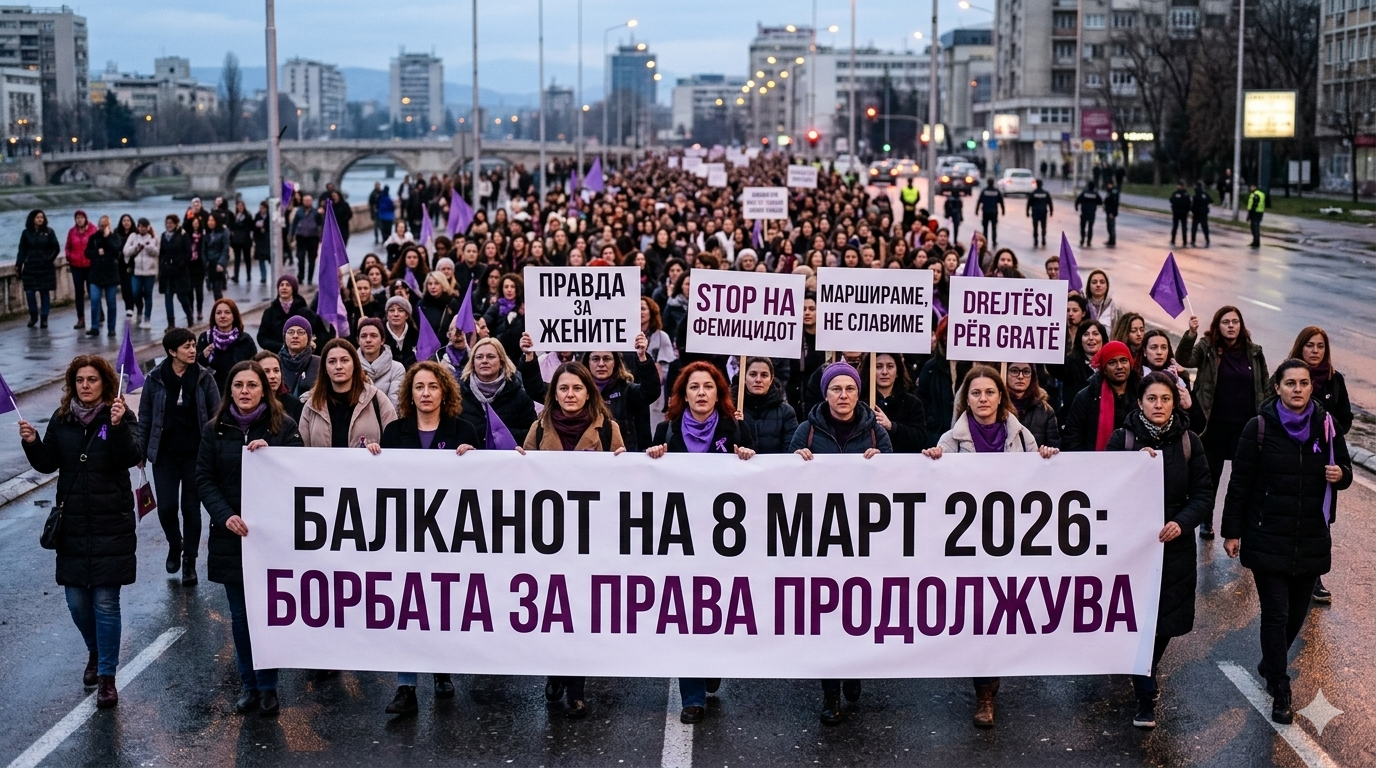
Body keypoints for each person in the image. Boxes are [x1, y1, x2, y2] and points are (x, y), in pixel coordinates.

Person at [922, 366, 1057, 729]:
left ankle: (991, 682)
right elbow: (934, 493)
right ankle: (984, 691)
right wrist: (933, 462)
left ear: (1001, 397)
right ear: (966, 399)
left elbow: (1043, 481)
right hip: (968, 545)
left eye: (989, 392)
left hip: (1011, 540)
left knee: (1003, 613)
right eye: (976, 393)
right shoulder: (951, 440)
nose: (983, 399)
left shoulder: (1023, 436)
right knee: (979, 614)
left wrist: (1046, 458)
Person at [1222, 359, 1351, 725]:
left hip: (1310, 537)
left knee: (1295, 615)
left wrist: (1340, 474)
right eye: (1290, 383)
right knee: (1276, 615)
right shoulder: (1259, 427)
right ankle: (1280, 687)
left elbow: (1345, 471)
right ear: (1277, 387)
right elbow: (1240, 483)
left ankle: (1270, 661)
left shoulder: (1326, 426)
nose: (1298, 389)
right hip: (1267, 536)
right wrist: (1232, 531)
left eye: (1304, 383)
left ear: (1312, 387)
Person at [19, 355, 142, 709]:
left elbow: (130, 456)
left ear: (105, 382)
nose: (85, 386)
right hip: (72, 525)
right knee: (76, 603)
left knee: (105, 602)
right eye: (79, 380)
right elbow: (47, 463)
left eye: (92, 380)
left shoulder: (120, 416)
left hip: (111, 524)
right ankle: (95, 648)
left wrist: (118, 427)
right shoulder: (62, 420)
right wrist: (32, 442)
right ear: (72, 384)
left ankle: (107, 676)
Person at [517, 360, 627, 719]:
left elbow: (623, 485)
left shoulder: (608, 429)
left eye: (577, 388)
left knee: (578, 611)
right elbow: (524, 480)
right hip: (548, 535)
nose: (570, 394)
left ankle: (576, 689)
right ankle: (555, 670)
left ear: (588, 392)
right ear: (554, 394)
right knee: (552, 608)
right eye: (563, 388)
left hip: (590, 536)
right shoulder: (538, 427)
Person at [648, 361, 754, 724]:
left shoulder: (737, 429)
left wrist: (747, 460)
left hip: (725, 543)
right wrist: (653, 460)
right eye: (694, 387)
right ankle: (692, 697)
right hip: (680, 542)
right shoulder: (666, 431)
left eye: (708, 386)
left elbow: (759, 481)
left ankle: (713, 662)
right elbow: (649, 486)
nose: (701, 393)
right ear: (684, 394)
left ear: (718, 392)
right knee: (686, 618)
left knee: (719, 611)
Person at [1106, 372, 1213, 729]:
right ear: (1140, 402)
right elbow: (1104, 488)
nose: (1159, 405)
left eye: (1165, 399)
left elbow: (1203, 494)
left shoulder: (1189, 442)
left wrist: (1182, 523)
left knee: (1165, 620)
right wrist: (1133, 465)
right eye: (1152, 399)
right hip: (1132, 546)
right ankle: (1145, 693)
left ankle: (1145, 670)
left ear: (1174, 403)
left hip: (1174, 544)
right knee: (1137, 619)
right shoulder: (1123, 440)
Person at [789, 362, 893, 725]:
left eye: (850, 388)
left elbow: (896, 484)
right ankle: (830, 694)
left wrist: (882, 466)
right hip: (821, 541)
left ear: (858, 392)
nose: (843, 395)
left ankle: (854, 669)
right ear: (826, 393)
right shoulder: (807, 431)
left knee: (858, 612)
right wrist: (796, 462)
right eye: (836, 389)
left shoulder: (877, 433)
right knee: (828, 617)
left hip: (865, 541)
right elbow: (784, 485)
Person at [197, 360, 304, 716]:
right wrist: (225, 515)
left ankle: (269, 686)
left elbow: (301, 473)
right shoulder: (215, 430)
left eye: (252, 385)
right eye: (239, 385)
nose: (245, 391)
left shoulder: (282, 426)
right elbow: (204, 478)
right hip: (231, 539)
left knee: (268, 614)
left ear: (265, 389)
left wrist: (275, 456)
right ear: (230, 389)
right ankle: (249, 684)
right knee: (242, 617)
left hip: (272, 540)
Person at [378, 362, 477, 716]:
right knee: (408, 607)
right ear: (409, 393)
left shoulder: (463, 430)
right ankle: (406, 686)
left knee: (441, 604)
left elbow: (481, 484)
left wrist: (473, 460)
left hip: (450, 535)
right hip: (406, 535)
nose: (425, 393)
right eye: (418, 387)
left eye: (432, 386)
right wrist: (372, 461)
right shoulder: (393, 432)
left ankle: (441, 671)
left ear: (444, 391)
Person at [1176, 307, 1268, 537]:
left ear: (1241, 325)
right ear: (1218, 325)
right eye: (1226, 322)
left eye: (1235, 321)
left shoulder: (1254, 352)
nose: (1231, 326)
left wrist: (1264, 419)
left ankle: (1240, 524)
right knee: (1211, 477)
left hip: (1245, 428)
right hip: (1213, 426)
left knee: (1242, 479)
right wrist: (1190, 334)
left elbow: (1264, 387)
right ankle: (1206, 521)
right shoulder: (1207, 348)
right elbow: (1184, 359)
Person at [138, 327, 221, 583]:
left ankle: (189, 562)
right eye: (186, 346)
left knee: (191, 509)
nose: (192, 350)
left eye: (194, 345)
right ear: (172, 351)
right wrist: (140, 451)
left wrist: (216, 451)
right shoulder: (155, 379)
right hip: (164, 455)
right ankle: (176, 545)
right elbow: (145, 418)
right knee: (166, 508)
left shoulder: (204, 378)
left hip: (196, 455)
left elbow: (217, 416)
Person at [1287, 326, 1351, 604]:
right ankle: (1284, 567)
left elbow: (1345, 419)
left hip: (1324, 463)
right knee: (1290, 513)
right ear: (1300, 347)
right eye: (1310, 345)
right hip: (1290, 460)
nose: (1315, 351)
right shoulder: (1287, 375)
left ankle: (1313, 576)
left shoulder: (1335, 381)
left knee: (1321, 519)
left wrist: (1329, 432)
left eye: (1320, 346)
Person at [298, 338, 397, 450]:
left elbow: (394, 443)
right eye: (332, 361)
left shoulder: (377, 399)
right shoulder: (312, 405)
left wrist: (378, 450)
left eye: (344, 360)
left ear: (354, 364)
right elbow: (302, 451)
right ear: (325, 368)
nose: (339, 366)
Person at [460, 337, 538, 446]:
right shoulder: (458, 397)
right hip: (469, 461)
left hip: (508, 461)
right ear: (473, 363)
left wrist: (500, 435)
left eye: (490, 357)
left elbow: (532, 434)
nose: (484, 361)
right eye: (479, 357)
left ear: (501, 362)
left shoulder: (520, 397)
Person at [1063, 340, 1136, 452]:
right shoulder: (1086, 397)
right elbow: (1072, 437)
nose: (1120, 366)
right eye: (1112, 362)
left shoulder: (1142, 395)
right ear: (1104, 369)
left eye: (1124, 360)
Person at [737, 358, 799, 454]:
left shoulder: (786, 412)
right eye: (753, 374)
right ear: (744, 378)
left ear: (771, 379)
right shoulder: (731, 409)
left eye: (764, 375)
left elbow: (791, 449)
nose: (758, 380)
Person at [870, 352, 928, 452]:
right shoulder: (860, 402)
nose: (884, 372)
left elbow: (920, 439)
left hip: (902, 464)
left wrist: (892, 426)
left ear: (897, 372)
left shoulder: (912, 403)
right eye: (878, 367)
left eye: (890, 366)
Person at [197, 299, 259, 390]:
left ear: (234, 316)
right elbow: (196, 366)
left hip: (239, 389)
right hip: (213, 390)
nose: (222, 316)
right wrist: (202, 357)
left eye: (227, 312)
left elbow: (254, 367)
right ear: (214, 316)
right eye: (218, 313)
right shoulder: (205, 338)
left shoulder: (245, 339)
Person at [17, 209, 60, 328]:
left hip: (45, 267)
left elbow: (56, 248)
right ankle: (33, 315)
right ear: (32, 219)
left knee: (44, 293)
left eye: (42, 217)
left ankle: (44, 318)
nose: (40, 219)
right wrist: (18, 265)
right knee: (29, 292)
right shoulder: (26, 233)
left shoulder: (49, 232)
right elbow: (22, 251)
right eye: (37, 217)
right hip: (30, 267)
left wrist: (48, 259)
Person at [84, 215, 122, 338]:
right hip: (96, 274)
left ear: (109, 226)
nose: (103, 227)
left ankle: (111, 328)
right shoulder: (93, 238)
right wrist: (96, 252)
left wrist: (107, 238)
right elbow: (87, 253)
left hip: (111, 275)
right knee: (94, 301)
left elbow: (117, 251)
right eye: (101, 225)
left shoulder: (115, 237)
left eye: (105, 225)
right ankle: (94, 327)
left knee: (111, 303)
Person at [1006, 362, 1059, 448]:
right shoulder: (996, 407)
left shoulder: (1045, 411)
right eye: (1014, 371)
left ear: (1033, 376)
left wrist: (1047, 451)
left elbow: (1054, 446)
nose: (1020, 376)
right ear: (1005, 374)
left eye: (1026, 372)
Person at [356, 318, 406, 408]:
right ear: (358, 341)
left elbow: (395, 404)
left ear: (382, 340)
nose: (368, 340)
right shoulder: (351, 368)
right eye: (363, 336)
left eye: (373, 336)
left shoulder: (397, 368)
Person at [123, 218, 159, 328]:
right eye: (140, 226)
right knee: (135, 293)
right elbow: (126, 251)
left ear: (148, 227)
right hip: (136, 271)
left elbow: (157, 252)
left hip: (150, 272)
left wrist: (148, 247)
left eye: (144, 226)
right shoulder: (133, 236)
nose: (142, 228)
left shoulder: (154, 237)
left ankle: (147, 318)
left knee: (148, 294)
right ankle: (139, 309)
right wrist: (136, 246)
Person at [159, 215, 194, 328]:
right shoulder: (164, 236)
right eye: (167, 222)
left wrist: (180, 265)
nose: (169, 225)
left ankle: (189, 316)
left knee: (182, 296)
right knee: (168, 296)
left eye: (171, 223)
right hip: (167, 272)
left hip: (180, 272)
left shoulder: (183, 235)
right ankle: (171, 324)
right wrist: (162, 265)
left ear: (176, 223)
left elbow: (188, 253)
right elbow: (162, 253)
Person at [253, 350, 303, 423]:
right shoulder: (249, 402)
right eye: (266, 371)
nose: (273, 376)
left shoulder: (294, 404)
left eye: (276, 371)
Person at [66, 210, 96, 330]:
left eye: (81, 218)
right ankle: (81, 319)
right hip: (76, 266)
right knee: (79, 293)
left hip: (90, 265)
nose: (79, 220)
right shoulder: (72, 232)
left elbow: (97, 245)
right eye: (77, 218)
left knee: (92, 291)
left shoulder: (92, 230)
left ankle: (98, 313)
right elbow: (67, 247)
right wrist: (70, 256)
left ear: (85, 218)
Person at [382, 295, 420, 367]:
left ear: (407, 315)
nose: (396, 314)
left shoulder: (416, 336)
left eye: (401, 310)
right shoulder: (379, 335)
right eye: (391, 310)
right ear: (387, 315)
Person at [293, 194, 323, 283]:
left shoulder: (316, 213)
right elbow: (294, 224)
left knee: (312, 259)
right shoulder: (299, 212)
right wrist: (291, 234)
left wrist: (321, 237)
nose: (307, 202)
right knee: (300, 258)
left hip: (313, 238)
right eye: (305, 201)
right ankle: (301, 277)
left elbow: (320, 225)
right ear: (303, 201)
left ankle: (310, 278)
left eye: (309, 201)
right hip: (301, 238)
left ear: (312, 202)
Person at [975, 179, 1004, 246]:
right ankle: (994, 241)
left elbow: (979, 201)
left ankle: (985, 241)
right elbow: (1001, 201)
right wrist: (1003, 210)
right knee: (994, 228)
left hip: (985, 212)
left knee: (985, 228)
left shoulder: (984, 191)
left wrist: (976, 210)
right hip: (994, 212)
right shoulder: (996, 191)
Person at [1026, 179, 1053, 247]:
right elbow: (1050, 203)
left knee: (1035, 227)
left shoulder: (1033, 193)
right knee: (1043, 227)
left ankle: (1036, 241)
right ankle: (1043, 239)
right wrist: (1051, 211)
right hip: (1043, 212)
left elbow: (1029, 203)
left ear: (1036, 184)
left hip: (1035, 212)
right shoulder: (1045, 193)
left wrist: (1027, 212)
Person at [1075, 182, 1103, 248]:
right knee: (1090, 227)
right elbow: (1100, 202)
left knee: (1083, 226)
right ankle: (1089, 241)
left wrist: (1076, 207)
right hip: (1092, 213)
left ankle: (1082, 238)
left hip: (1084, 212)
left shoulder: (1084, 193)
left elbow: (1078, 200)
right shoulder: (1095, 194)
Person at [1169, 181, 1192, 247]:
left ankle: (1184, 241)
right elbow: (1171, 200)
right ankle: (1173, 240)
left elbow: (1189, 204)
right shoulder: (1181, 194)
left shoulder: (1185, 194)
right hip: (1178, 213)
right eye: (1180, 185)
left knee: (1183, 228)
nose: (1180, 186)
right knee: (1176, 227)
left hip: (1182, 213)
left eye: (1181, 185)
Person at [1190, 182, 1212, 247]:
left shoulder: (1195, 196)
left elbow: (1192, 205)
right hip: (1203, 214)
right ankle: (1207, 240)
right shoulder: (1205, 194)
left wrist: (1192, 210)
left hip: (1197, 214)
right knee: (1205, 228)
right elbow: (1210, 201)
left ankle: (1193, 241)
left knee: (1194, 228)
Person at [1246, 183, 1266, 248]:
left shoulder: (1254, 195)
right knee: (1256, 227)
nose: (1250, 188)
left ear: (1254, 187)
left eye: (1251, 187)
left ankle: (1256, 242)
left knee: (1254, 228)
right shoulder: (1262, 194)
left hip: (1254, 212)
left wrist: (1249, 215)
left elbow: (1253, 205)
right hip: (1260, 212)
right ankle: (1256, 241)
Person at [1102, 180, 1120, 247]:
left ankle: (1112, 240)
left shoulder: (1114, 192)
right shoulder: (1109, 192)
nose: (1108, 186)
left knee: (1111, 226)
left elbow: (1115, 204)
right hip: (1108, 212)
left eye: (1109, 184)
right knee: (1109, 226)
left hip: (1111, 212)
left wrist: (1113, 213)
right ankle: (1110, 239)